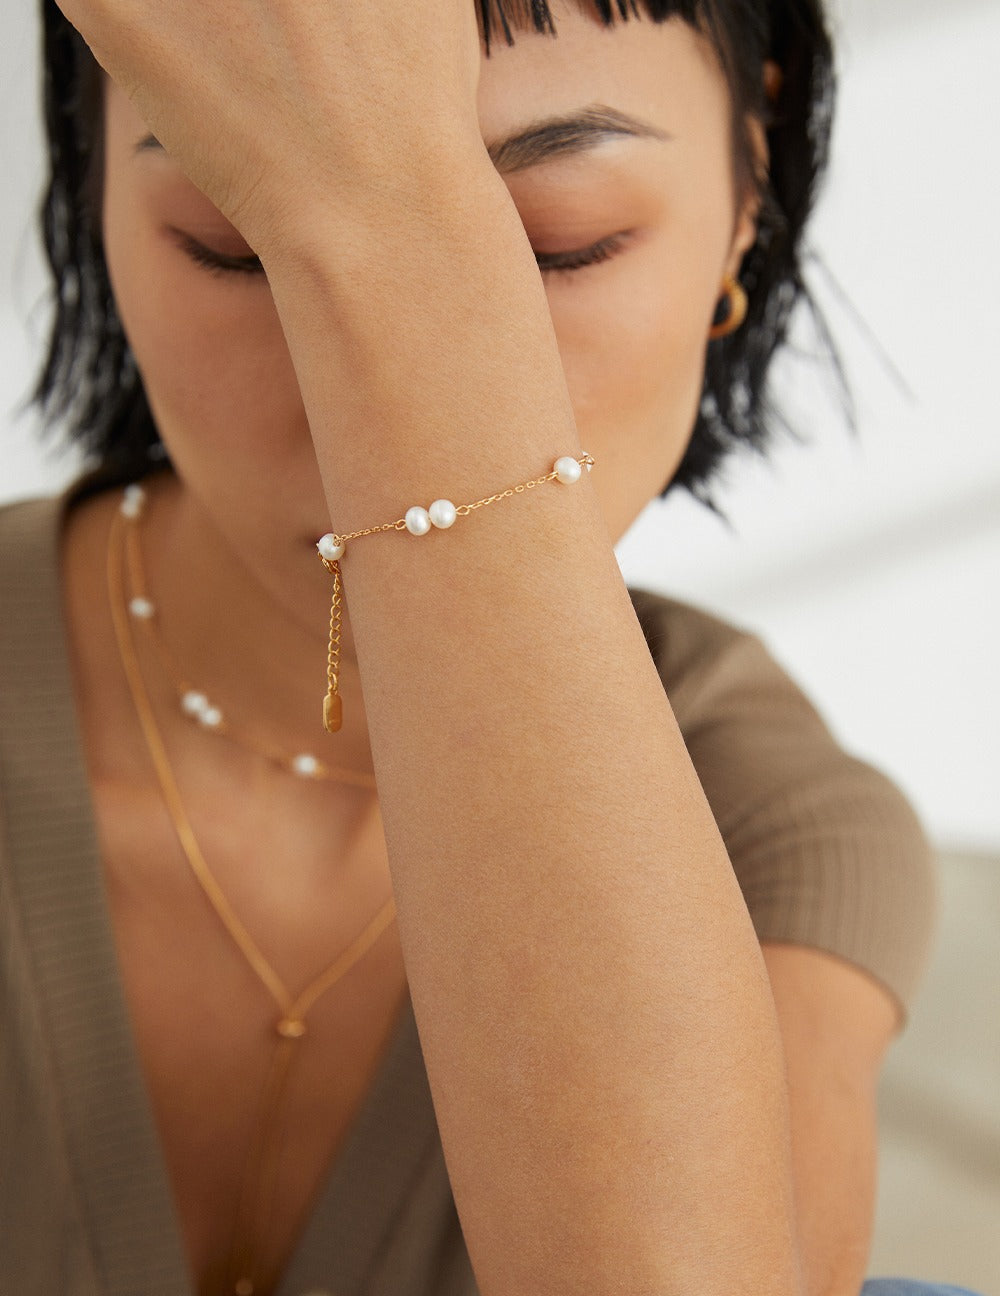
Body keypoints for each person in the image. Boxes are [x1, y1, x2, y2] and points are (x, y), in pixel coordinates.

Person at [0, 2, 980, 1294]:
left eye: (559, 243)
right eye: (237, 242)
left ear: (750, 191)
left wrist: (391, 228)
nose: (363, 404)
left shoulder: (770, 824)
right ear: (91, 196)